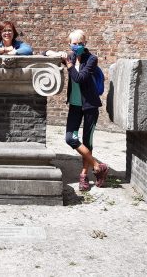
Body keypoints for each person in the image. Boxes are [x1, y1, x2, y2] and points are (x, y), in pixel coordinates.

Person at [59, 29, 108, 192]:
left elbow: (79, 78)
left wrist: (69, 64)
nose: (78, 46)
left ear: (85, 43)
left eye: (81, 43)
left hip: (90, 106)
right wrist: (54, 53)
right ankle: (98, 166)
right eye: (74, 43)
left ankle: (84, 175)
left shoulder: (91, 59)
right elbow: (45, 54)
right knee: (70, 138)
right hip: (75, 106)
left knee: (87, 141)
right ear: (69, 44)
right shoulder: (70, 57)